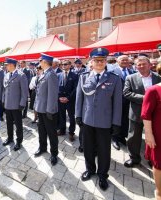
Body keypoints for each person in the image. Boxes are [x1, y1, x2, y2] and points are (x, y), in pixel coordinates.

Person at [75, 47, 122, 191]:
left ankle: (103, 175)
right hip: (87, 120)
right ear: (92, 61)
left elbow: (117, 103)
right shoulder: (84, 77)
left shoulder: (114, 78)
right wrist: (78, 115)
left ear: (106, 61)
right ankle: (90, 170)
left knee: (103, 150)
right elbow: (79, 98)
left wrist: (116, 123)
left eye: (102, 60)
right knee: (88, 147)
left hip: (105, 121)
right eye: (96, 60)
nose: (99, 62)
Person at [123, 56, 161, 168]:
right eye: (138, 64)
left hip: (154, 114)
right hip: (136, 112)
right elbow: (126, 93)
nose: (141, 66)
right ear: (135, 66)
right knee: (133, 137)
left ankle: (152, 158)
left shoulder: (158, 77)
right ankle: (134, 158)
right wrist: (146, 98)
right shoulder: (130, 78)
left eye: (143, 63)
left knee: (154, 136)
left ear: (150, 65)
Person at [34, 53, 59, 166]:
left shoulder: (51, 74)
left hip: (48, 110)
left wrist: (50, 110)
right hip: (40, 108)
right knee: (42, 130)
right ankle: (42, 147)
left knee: (51, 133)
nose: (39, 63)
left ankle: (54, 153)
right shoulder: (44, 73)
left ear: (44, 62)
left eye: (40, 61)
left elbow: (53, 94)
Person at [110, 55, 136, 150]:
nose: (125, 61)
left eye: (126, 60)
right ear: (117, 60)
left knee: (126, 119)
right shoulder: (112, 72)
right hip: (116, 101)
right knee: (116, 119)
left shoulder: (132, 72)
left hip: (129, 101)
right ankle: (114, 138)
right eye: (122, 59)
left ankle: (122, 137)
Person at [2, 58, 28, 151]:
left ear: (12, 65)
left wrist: (22, 104)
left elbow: (24, 92)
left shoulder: (21, 75)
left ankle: (19, 141)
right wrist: (3, 100)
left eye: (7, 65)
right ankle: (10, 138)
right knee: (8, 123)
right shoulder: (7, 75)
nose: (6, 66)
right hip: (8, 104)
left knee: (18, 124)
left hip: (17, 105)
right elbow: (5, 89)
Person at [141, 83, 161, 200]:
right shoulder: (153, 90)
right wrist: (148, 134)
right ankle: (159, 193)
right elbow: (146, 115)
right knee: (159, 163)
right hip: (158, 135)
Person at [57, 59, 78, 142]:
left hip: (70, 100)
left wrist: (68, 98)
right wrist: (59, 97)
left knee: (71, 117)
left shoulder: (75, 75)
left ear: (70, 65)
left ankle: (71, 132)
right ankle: (62, 130)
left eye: (65, 64)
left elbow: (76, 88)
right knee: (61, 116)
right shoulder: (58, 75)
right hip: (60, 100)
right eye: (62, 64)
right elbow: (55, 87)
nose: (63, 66)